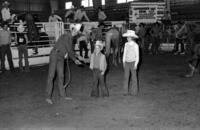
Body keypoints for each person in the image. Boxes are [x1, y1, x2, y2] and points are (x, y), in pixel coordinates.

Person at [45, 31, 81, 105]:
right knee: (51, 76)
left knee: (61, 76)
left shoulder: (70, 38)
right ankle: (48, 97)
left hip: (61, 57)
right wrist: (75, 59)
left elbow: (70, 51)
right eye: (76, 31)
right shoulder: (66, 35)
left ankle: (63, 95)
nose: (76, 33)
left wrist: (76, 58)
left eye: (77, 32)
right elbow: (69, 50)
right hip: (55, 54)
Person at [122, 30, 139, 96]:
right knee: (126, 77)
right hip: (126, 62)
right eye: (127, 37)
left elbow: (137, 56)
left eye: (128, 37)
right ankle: (125, 92)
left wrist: (136, 64)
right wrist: (123, 61)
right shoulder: (126, 44)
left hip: (133, 62)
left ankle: (134, 92)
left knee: (134, 77)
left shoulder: (135, 45)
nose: (127, 38)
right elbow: (124, 53)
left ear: (132, 37)